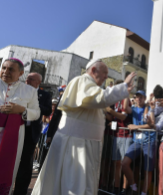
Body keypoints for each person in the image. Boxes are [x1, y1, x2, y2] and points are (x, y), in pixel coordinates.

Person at [31, 59, 135, 195]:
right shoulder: (83, 81)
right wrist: (122, 87)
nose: (106, 77)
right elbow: (98, 99)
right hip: (76, 145)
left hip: (83, 144)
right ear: (93, 70)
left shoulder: (91, 86)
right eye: (104, 73)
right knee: (74, 186)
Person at [0, 58, 40, 195]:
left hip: (14, 135)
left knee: (8, 169)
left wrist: (22, 110)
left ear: (21, 73)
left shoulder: (30, 91)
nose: (5, 72)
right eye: (3, 68)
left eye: (11, 69)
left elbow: (36, 114)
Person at [14, 72, 52, 195]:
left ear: (38, 82)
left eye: (31, 79)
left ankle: (20, 191)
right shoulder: (19, 90)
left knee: (25, 163)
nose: (27, 81)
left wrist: (34, 104)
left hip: (31, 133)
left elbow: (48, 110)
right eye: (27, 78)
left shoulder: (45, 95)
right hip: (16, 130)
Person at [122, 90, 156, 195]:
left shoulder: (150, 108)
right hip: (137, 141)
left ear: (144, 98)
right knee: (124, 163)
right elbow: (125, 108)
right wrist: (126, 93)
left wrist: (136, 126)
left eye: (141, 97)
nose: (139, 99)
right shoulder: (134, 109)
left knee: (147, 169)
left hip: (149, 141)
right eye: (137, 97)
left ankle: (144, 192)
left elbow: (151, 125)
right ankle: (133, 185)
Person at [106, 80, 133, 195]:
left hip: (126, 135)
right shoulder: (116, 101)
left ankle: (124, 189)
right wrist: (104, 111)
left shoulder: (126, 100)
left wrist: (110, 111)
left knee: (124, 164)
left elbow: (122, 116)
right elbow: (112, 118)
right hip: (117, 134)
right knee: (116, 163)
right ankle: (116, 188)